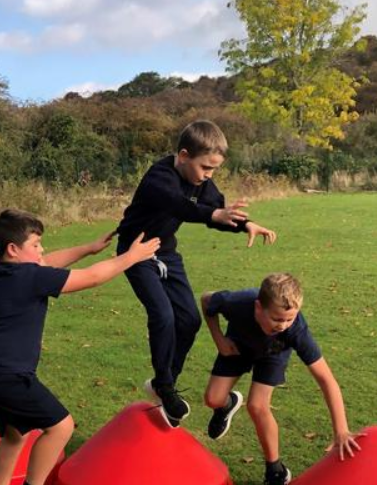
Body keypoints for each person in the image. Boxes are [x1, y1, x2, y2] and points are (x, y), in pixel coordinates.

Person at [0, 208, 160, 485]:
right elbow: (92, 278)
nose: (42, 250)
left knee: (14, 434)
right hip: (7, 375)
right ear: (13, 249)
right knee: (61, 426)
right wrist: (132, 256)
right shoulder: (29, 277)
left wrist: (88, 248)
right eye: (36, 244)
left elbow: (48, 263)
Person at [115, 119, 276, 427]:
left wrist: (245, 224)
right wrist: (213, 213)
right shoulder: (159, 177)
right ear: (184, 155)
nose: (209, 175)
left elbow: (217, 211)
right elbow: (179, 206)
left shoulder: (200, 181)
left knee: (189, 319)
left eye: (214, 169)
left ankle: (165, 383)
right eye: (205, 167)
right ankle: (165, 385)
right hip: (135, 252)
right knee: (163, 315)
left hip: (165, 251)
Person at [201, 273, 360, 485]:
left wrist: (341, 430)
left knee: (257, 406)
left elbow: (326, 379)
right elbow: (206, 300)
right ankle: (227, 404)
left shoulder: (295, 331)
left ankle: (275, 472)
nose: (283, 325)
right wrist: (219, 339)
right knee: (213, 399)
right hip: (237, 347)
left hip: (272, 355)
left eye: (289, 319)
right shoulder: (238, 302)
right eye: (277, 319)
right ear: (258, 307)